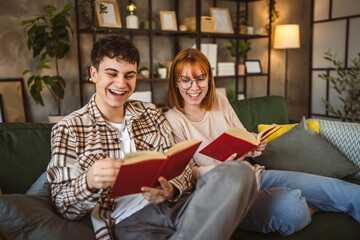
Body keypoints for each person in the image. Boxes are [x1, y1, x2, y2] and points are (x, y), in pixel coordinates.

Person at [47, 35, 259, 240]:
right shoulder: (68, 128)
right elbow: (63, 206)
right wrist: (89, 181)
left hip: (178, 205)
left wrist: (170, 189)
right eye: (112, 74)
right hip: (130, 220)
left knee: (240, 172)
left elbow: (183, 170)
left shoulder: (150, 113)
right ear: (93, 74)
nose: (121, 84)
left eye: (129, 75)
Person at [165, 48, 360, 236]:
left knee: (345, 191)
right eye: (186, 80)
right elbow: (189, 175)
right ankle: (312, 205)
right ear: (176, 82)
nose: (194, 87)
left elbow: (241, 135)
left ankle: (315, 201)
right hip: (225, 194)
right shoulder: (173, 119)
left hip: (254, 174)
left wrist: (254, 145)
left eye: (200, 79)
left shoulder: (219, 100)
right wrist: (217, 167)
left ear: (209, 78)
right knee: (291, 210)